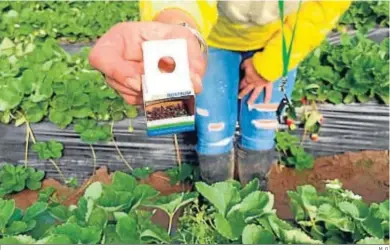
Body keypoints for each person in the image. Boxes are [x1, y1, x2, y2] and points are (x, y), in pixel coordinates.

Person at [89, 0, 351, 188]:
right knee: (213, 126)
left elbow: (322, 8)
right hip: (212, 39)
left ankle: (255, 196)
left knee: (262, 124)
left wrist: (271, 64)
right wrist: (177, 29)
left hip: (283, 37)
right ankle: (217, 195)